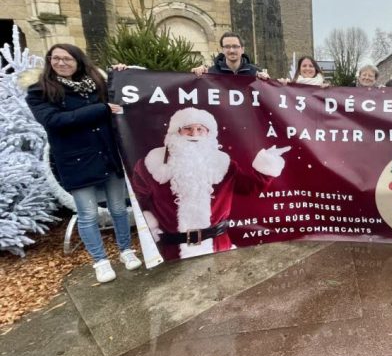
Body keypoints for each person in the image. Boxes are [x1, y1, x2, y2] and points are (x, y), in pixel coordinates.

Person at [26, 43, 142, 283]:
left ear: (78, 61)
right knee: (88, 214)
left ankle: (126, 250)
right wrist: (101, 109)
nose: (61, 63)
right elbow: (55, 121)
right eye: (56, 58)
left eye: (67, 58)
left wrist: (122, 73)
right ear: (49, 61)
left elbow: (127, 93)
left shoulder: (97, 85)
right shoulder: (40, 91)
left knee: (119, 208)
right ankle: (100, 261)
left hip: (108, 155)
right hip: (76, 161)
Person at [130, 107, 291, 260]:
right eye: (187, 128)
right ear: (176, 132)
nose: (194, 134)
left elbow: (248, 188)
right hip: (172, 251)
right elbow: (140, 200)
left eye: (200, 129)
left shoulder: (223, 164)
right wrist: (150, 227)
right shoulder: (151, 165)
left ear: (209, 133)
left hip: (218, 247)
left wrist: (267, 164)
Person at [191, 32, 270, 80]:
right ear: (222, 50)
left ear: (242, 49)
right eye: (227, 46)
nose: (231, 50)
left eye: (235, 46)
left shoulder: (255, 73)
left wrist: (269, 82)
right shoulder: (211, 72)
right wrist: (195, 75)